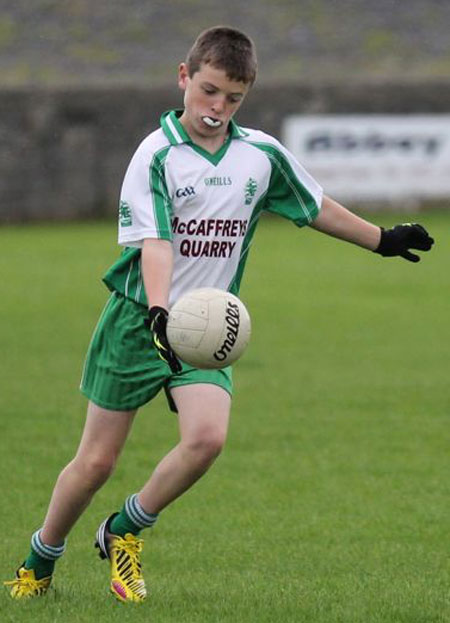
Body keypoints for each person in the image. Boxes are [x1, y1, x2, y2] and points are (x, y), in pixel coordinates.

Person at [5, 25, 434, 603]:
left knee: (206, 440)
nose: (217, 108)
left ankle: (126, 528)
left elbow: (314, 205)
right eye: (209, 91)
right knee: (96, 462)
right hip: (138, 321)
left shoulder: (258, 155)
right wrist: (159, 314)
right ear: (184, 78)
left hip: (209, 327)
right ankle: (39, 561)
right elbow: (153, 244)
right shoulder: (156, 155)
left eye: (233, 98)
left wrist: (380, 239)